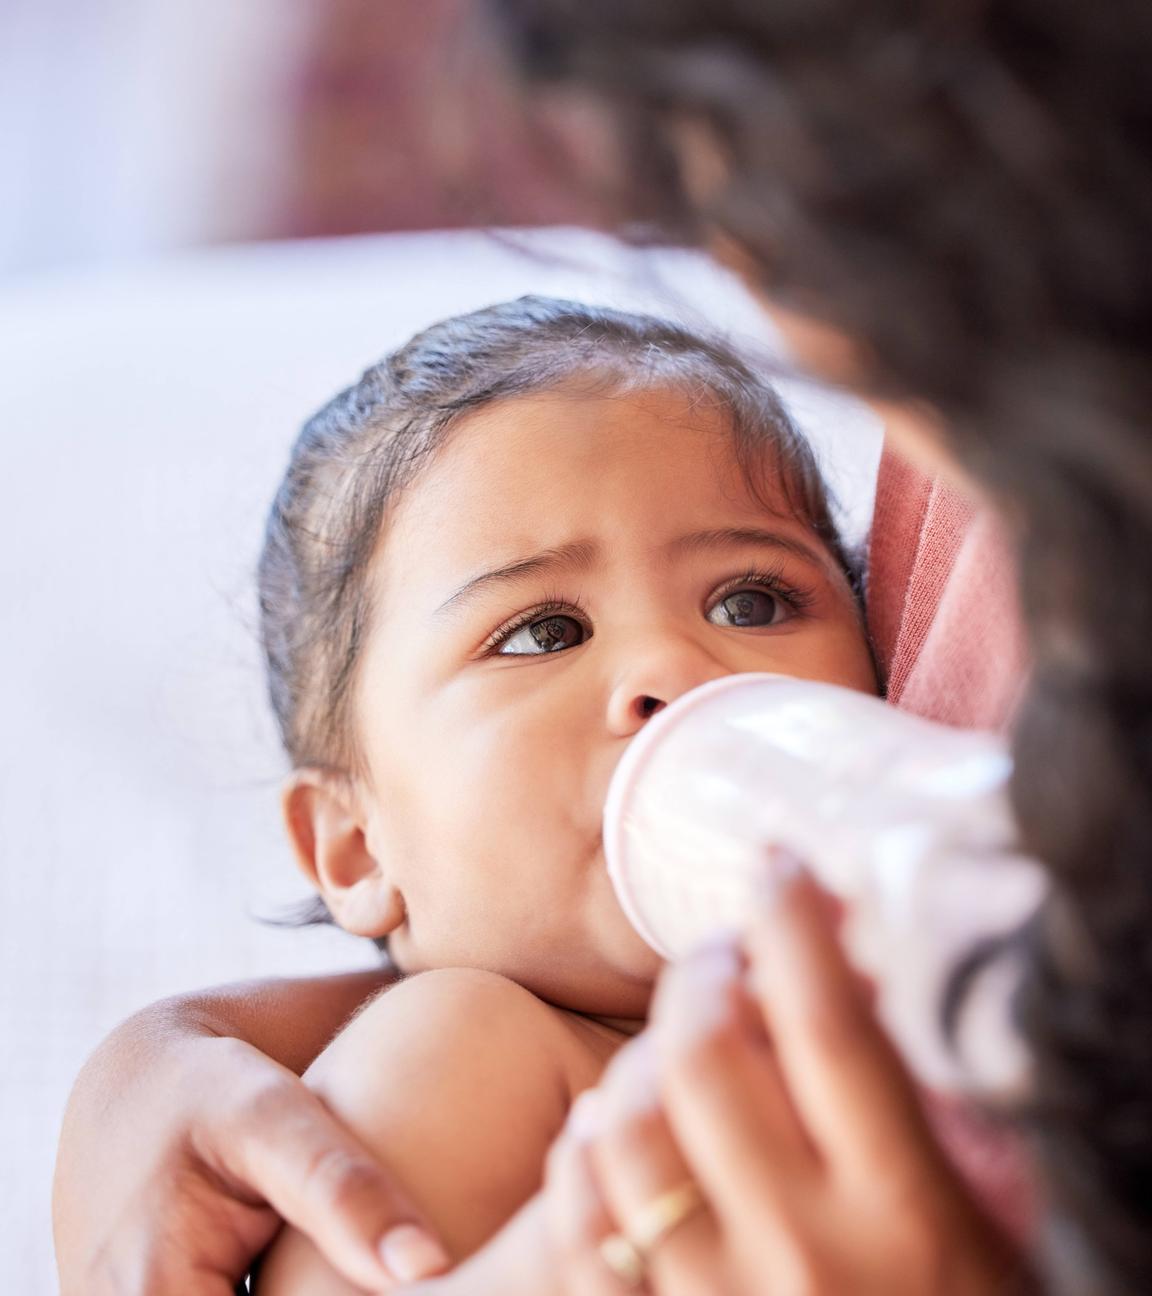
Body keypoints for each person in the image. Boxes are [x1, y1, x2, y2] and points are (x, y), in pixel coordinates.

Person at [53, 2, 1152, 1293]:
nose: (672, 670)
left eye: (753, 600)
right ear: (354, 849)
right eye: (541, 632)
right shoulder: (469, 1050)